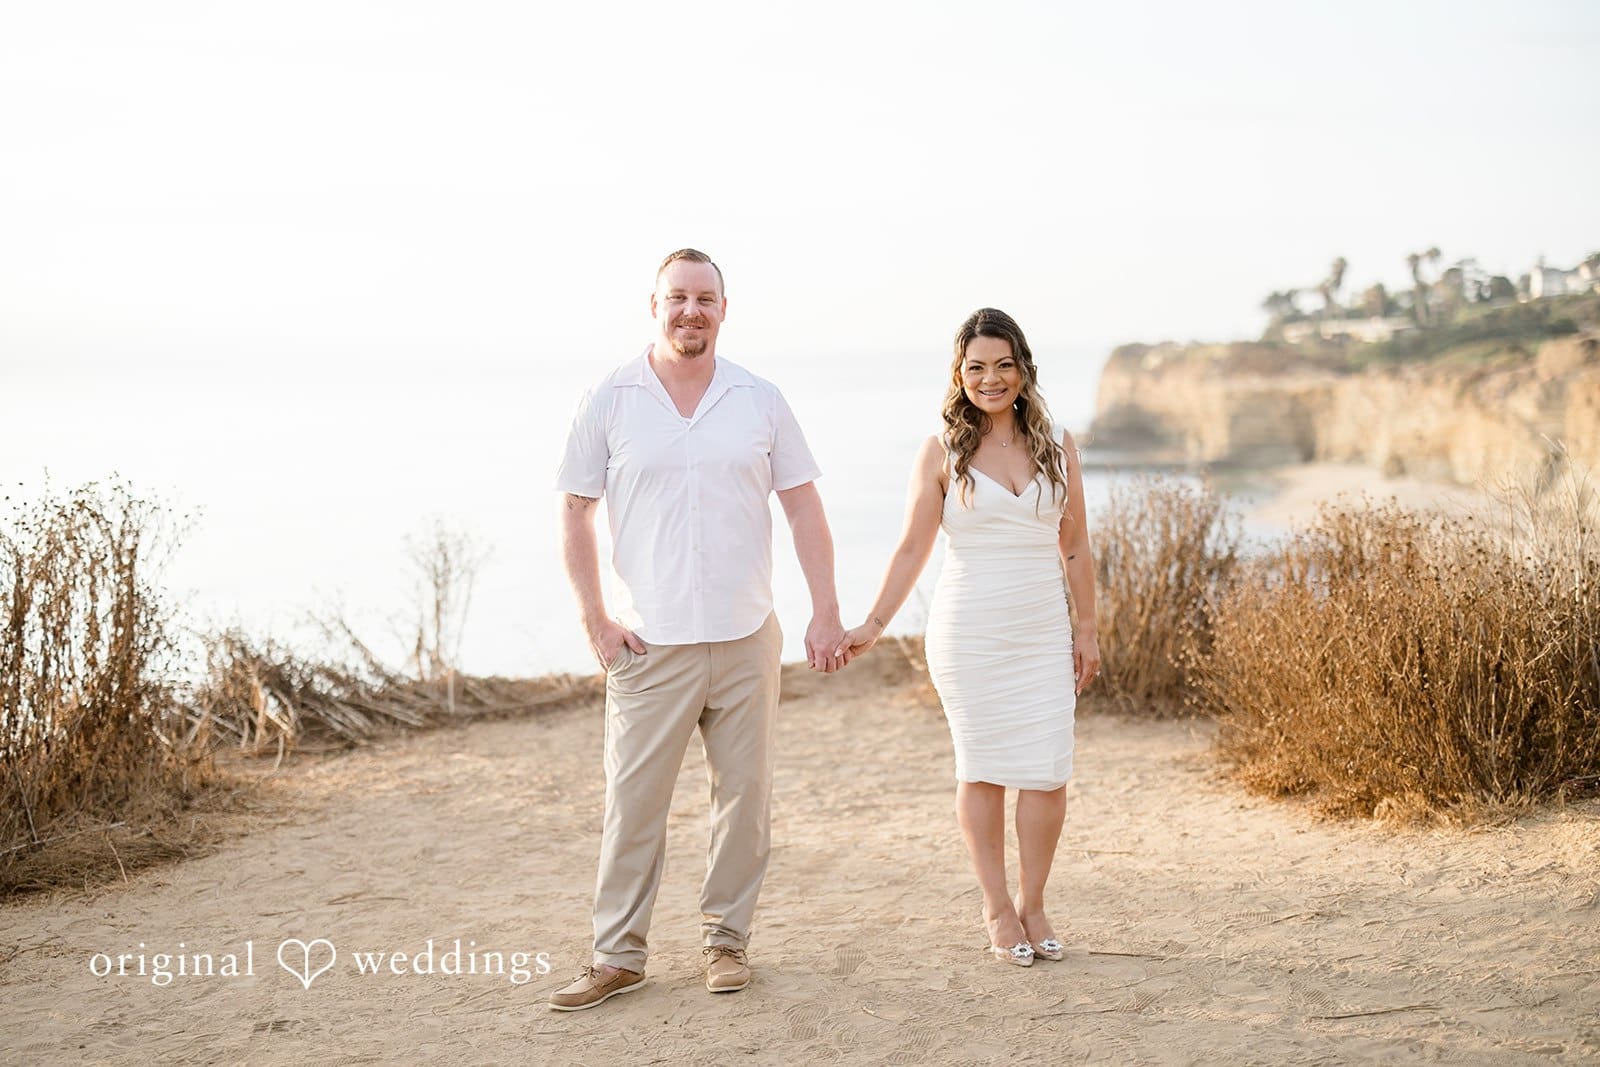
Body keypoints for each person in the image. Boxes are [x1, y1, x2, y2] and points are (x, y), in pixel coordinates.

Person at [548, 249, 849, 1011]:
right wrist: (595, 620)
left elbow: (804, 505)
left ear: (724, 307)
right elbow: (575, 510)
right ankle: (617, 955)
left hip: (748, 634)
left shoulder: (759, 398)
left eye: (705, 298)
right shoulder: (610, 398)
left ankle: (726, 941)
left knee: (744, 799)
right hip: (650, 643)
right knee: (634, 803)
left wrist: (824, 608)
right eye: (677, 297)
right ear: (654, 305)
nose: (691, 310)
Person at [837, 307, 1100, 967]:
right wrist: (872, 623)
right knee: (981, 769)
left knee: (1046, 773)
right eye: (977, 366)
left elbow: (1076, 547)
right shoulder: (942, 450)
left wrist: (1088, 628)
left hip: (1042, 630)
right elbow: (910, 549)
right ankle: (996, 905)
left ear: (1022, 368)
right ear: (960, 373)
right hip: (969, 634)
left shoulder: (1058, 443)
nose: (992, 378)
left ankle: (1033, 900)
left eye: (1004, 364)